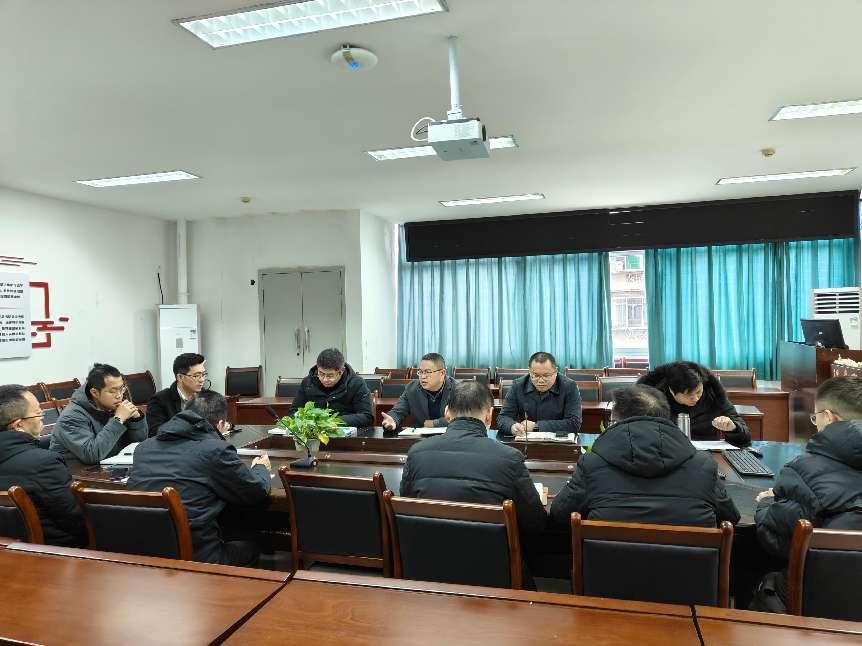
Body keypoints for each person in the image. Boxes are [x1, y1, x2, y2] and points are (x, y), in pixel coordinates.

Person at [550, 384, 740, 528]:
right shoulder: (704, 466)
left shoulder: (592, 465)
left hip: (606, 569)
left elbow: (559, 515)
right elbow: (731, 517)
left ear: (617, 421)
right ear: (665, 418)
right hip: (691, 570)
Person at [751, 377, 862, 612]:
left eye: (815, 416)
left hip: (821, 604)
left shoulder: (803, 470)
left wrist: (767, 502)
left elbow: (776, 539)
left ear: (829, 418)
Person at [128, 390, 272, 566]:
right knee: (252, 545)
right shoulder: (216, 450)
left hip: (144, 553)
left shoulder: (143, 448)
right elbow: (256, 491)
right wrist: (261, 468)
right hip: (197, 557)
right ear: (221, 424)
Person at [400, 380, 547, 538]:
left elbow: (405, 508)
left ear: (447, 413)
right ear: (489, 416)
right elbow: (536, 523)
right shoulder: (510, 458)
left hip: (426, 551)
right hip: (490, 552)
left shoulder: (416, 453)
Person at [0, 385, 86, 546]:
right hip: (58, 552)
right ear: (18, 425)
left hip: (9, 551)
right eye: (38, 413)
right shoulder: (44, 463)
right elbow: (77, 520)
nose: (42, 418)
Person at [50, 363, 148, 471]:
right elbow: (92, 455)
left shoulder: (114, 406)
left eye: (121, 389)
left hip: (110, 468)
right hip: (79, 475)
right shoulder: (71, 417)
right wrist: (118, 419)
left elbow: (139, 445)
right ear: (95, 393)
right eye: (113, 391)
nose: (119, 395)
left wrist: (136, 420)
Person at [638, 361, 750, 446]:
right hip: (669, 452)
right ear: (672, 391)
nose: (696, 398)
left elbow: (746, 436)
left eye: (698, 391)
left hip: (708, 452)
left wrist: (734, 428)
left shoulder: (714, 393)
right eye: (689, 395)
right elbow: (640, 436)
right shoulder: (652, 400)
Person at [496, 352, 582, 437]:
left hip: (559, 442)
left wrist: (536, 426)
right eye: (536, 375)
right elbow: (503, 418)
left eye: (546, 375)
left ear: (556, 372)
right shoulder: (518, 386)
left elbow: (574, 423)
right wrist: (512, 427)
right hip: (526, 441)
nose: (541, 380)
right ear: (529, 371)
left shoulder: (569, 386)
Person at [289, 348, 373, 427]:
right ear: (317, 368)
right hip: (314, 431)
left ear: (341, 371)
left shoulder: (356, 383)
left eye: (330, 375)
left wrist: (332, 422)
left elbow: (367, 416)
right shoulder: (308, 383)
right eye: (321, 374)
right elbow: (293, 412)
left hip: (345, 432)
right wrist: (310, 421)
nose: (325, 379)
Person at [381, 353, 457, 430]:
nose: (423, 376)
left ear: (442, 373)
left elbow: (458, 419)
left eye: (428, 372)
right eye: (420, 372)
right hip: (420, 436)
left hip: (449, 435)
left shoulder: (457, 389)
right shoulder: (412, 388)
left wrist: (431, 424)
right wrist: (392, 419)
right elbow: (398, 411)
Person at [146, 353, 207, 437]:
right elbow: (156, 433)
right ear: (180, 377)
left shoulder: (206, 396)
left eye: (203, 375)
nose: (202, 380)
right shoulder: (159, 400)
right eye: (196, 376)